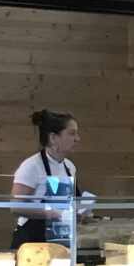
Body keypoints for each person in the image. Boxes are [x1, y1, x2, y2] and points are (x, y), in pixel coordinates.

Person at [11, 108, 85, 252]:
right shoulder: (32, 166)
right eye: (71, 133)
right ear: (53, 138)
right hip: (32, 242)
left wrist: (81, 213)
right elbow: (16, 206)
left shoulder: (70, 167)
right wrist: (53, 213)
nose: (77, 139)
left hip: (60, 239)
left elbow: (71, 201)